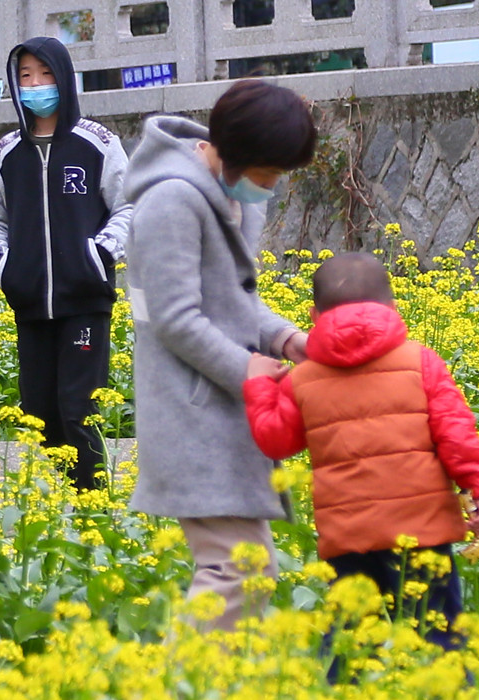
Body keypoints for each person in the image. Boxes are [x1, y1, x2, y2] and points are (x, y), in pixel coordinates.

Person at [242, 253, 479, 669]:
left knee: (348, 639)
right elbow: (457, 435)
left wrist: (257, 382)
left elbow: (275, 441)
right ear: (393, 308)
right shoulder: (421, 362)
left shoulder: (303, 378)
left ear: (313, 315)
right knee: (438, 635)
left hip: (349, 537)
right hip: (424, 532)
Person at [123, 79, 319, 630]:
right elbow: (173, 317)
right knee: (237, 570)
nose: (274, 185)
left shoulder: (227, 195)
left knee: (247, 571)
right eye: (271, 172)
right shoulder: (171, 200)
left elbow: (232, 303)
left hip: (221, 411)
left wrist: (286, 340)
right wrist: (246, 369)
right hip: (193, 413)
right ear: (240, 154)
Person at [0, 36, 132, 491]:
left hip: (84, 301)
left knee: (77, 409)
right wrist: (3, 265)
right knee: (39, 411)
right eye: (25, 77)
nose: (36, 85)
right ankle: (69, 502)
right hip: (30, 305)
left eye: (45, 75)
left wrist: (99, 253)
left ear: (64, 79)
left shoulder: (97, 143)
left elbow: (128, 206)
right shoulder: (7, 152)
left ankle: (94, 506)